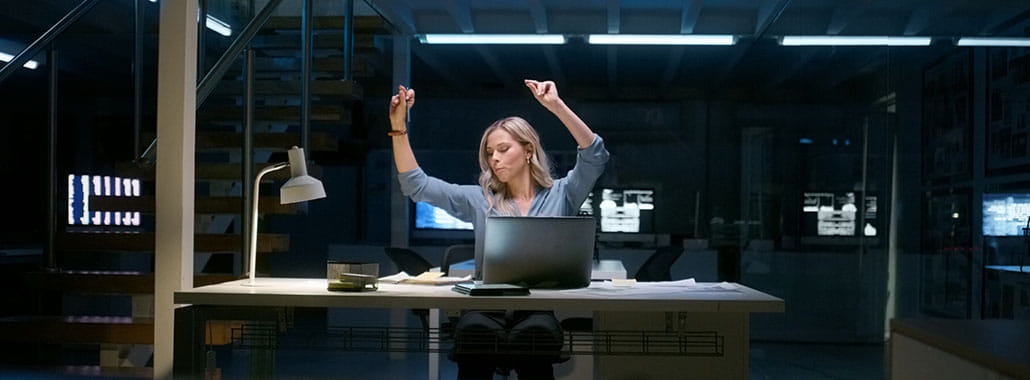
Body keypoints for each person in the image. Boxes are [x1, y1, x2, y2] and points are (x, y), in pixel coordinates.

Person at [388, 79, 609, 379]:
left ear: (529, 151)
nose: (494, 158)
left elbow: (595, 155)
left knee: (536, 338)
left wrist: (555, 106)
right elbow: (417, 185)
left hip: (537, 310)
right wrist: (399, 129)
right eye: (490, 152)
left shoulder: (562, 194)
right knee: (475, 333)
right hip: (484, 308)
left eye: (503, 149)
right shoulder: (480, 199)